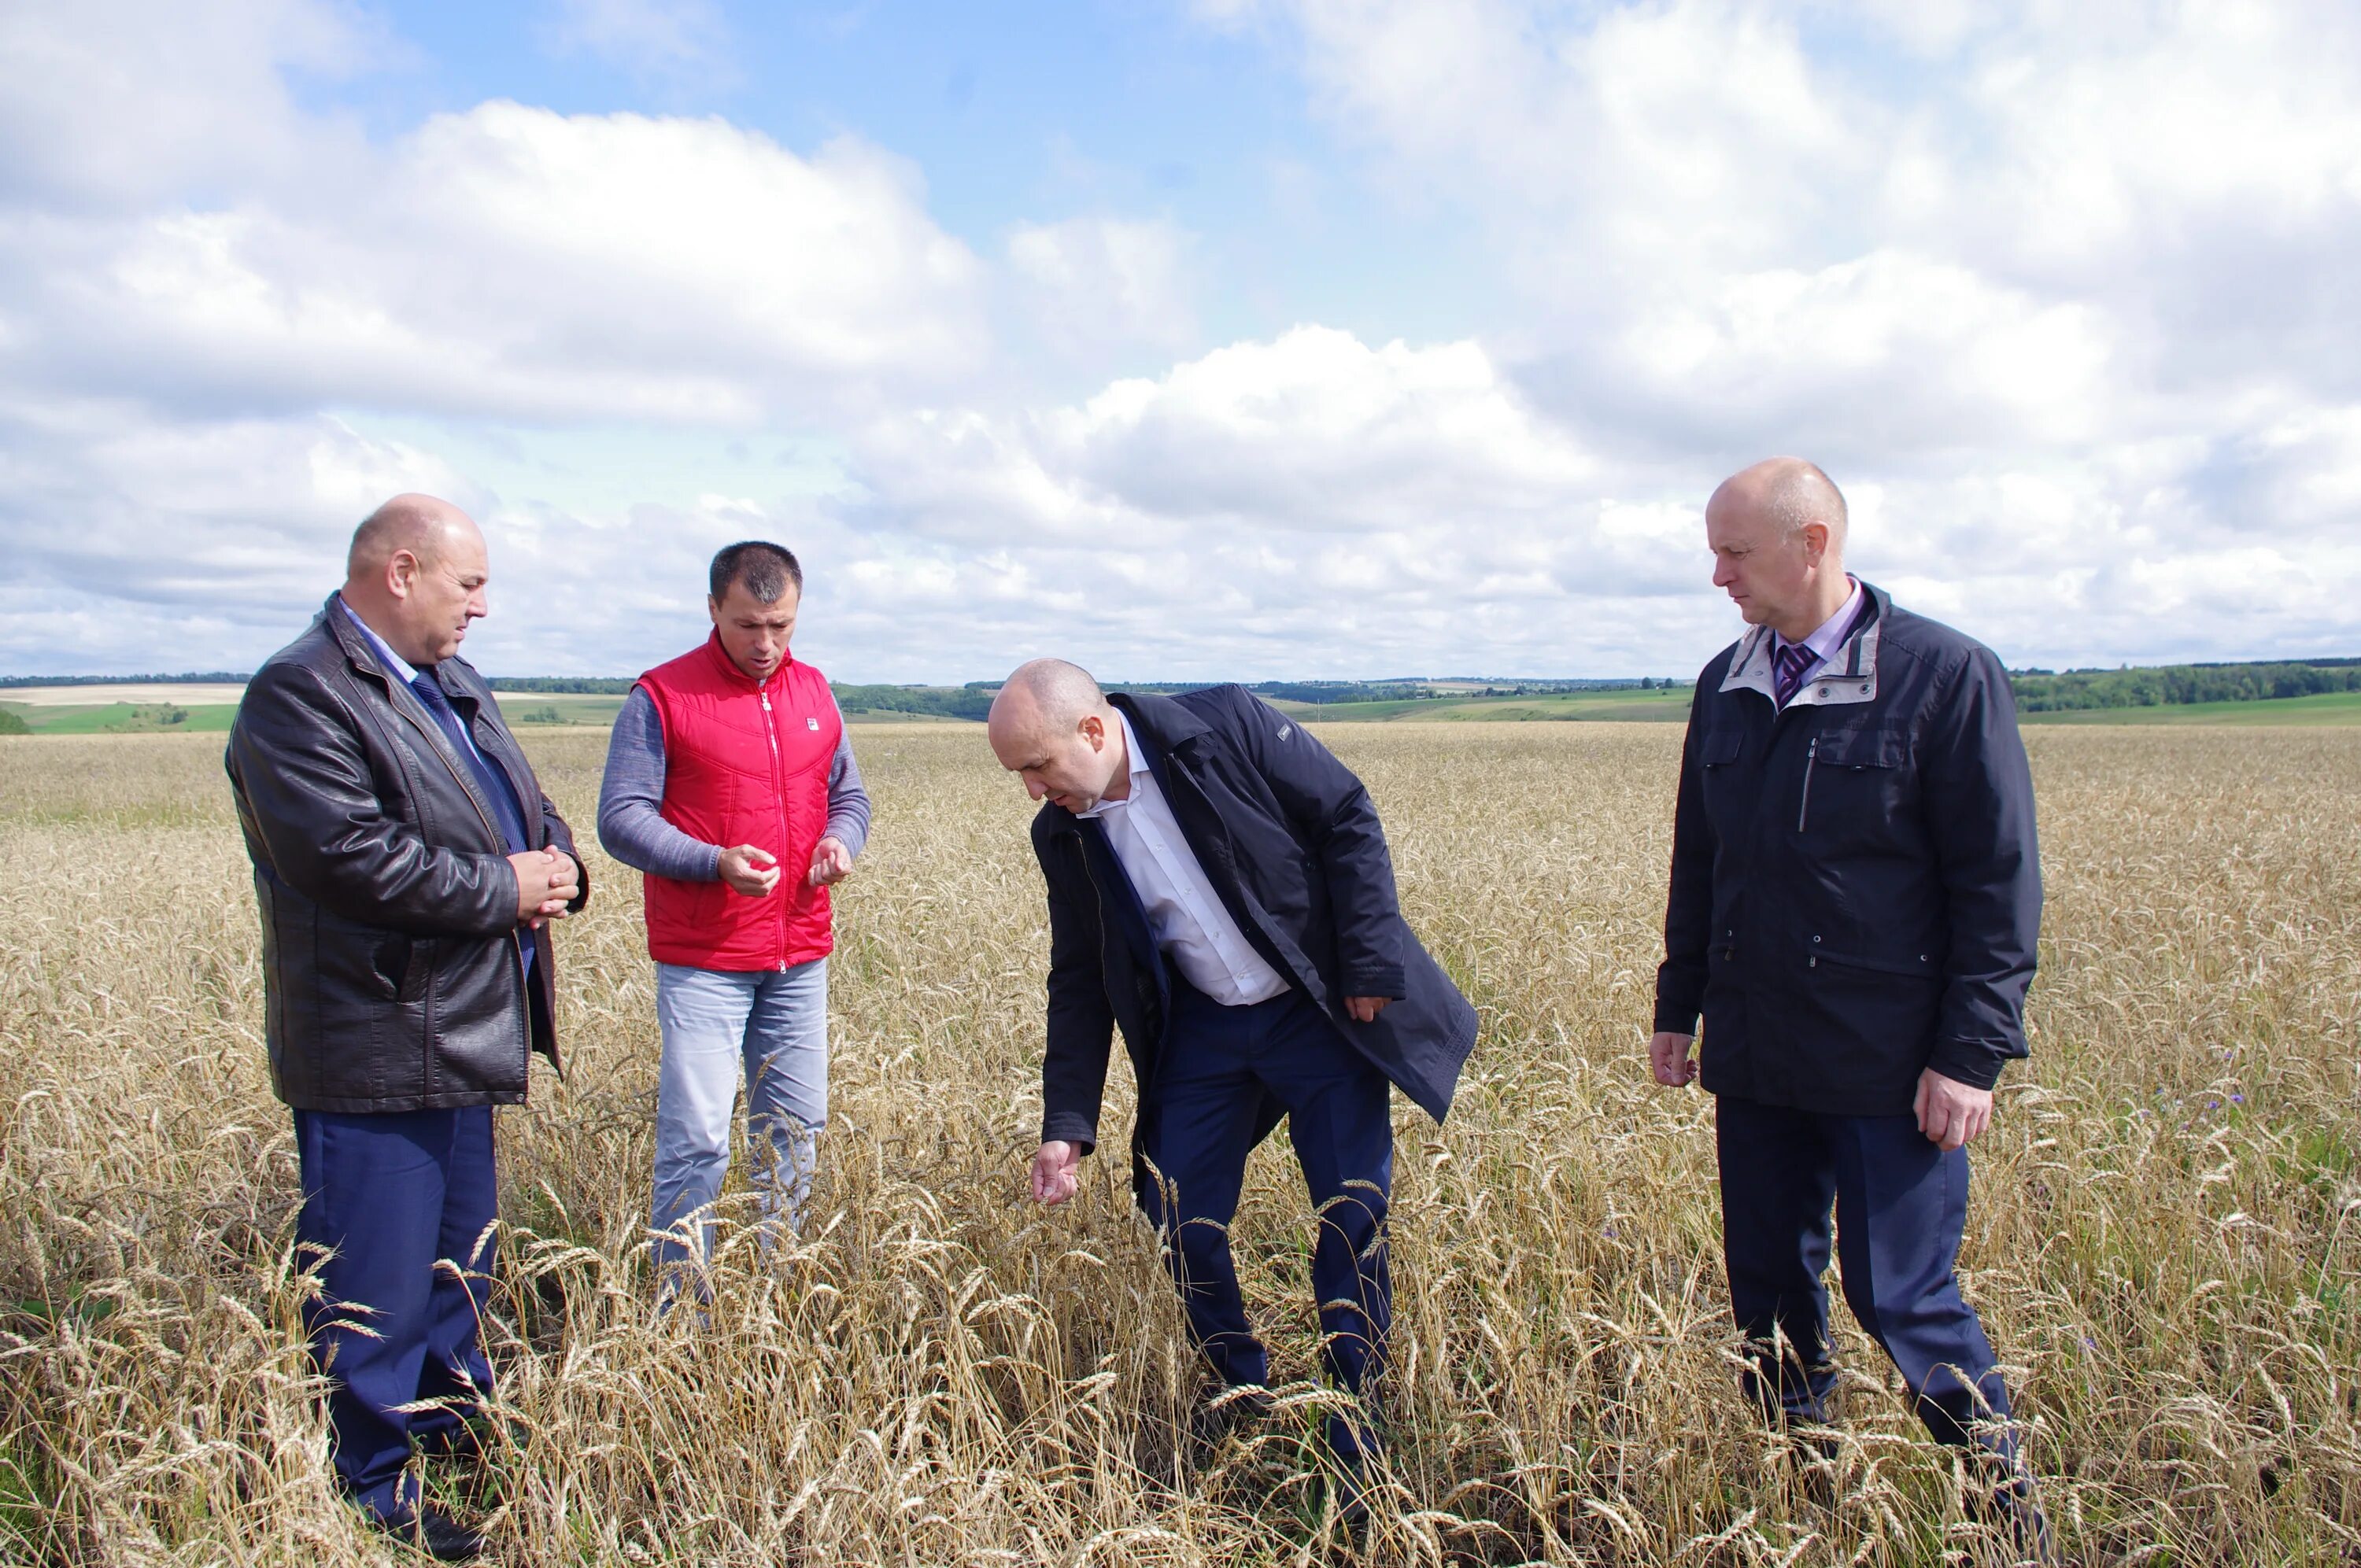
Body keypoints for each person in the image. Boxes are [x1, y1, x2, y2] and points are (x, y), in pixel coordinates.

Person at [1650, 459, 2052, 1556]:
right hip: (1759, 1049)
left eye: (1735, 550)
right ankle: (1809, 1496)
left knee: (1903, 1297)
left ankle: (2010, 1516)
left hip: (1891, 1060)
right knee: (1769, 1295)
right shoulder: (1724, 681)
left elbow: (1996, 882)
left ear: (1813, 541)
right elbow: (1705, 857)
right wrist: (1679, 1003)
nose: (1717, 573)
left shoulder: (1941, 675)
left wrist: (1970, 1053)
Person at [989, 660, 1476, 1504]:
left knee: (1351, 1207)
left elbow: (1347, 816)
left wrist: (1366, 961)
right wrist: (1066, 1121)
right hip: (1207, 1030)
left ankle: (1354, 1407)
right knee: (1179, 1209)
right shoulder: (1062, 835)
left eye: (1038, 767)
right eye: (1020, 775)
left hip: (1314, 1010)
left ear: (1094, 732)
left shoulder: (1223, 726)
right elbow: (1080, 975)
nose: (1033, 791)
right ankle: (1238, 1387)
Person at [226, 494, 586, 1561]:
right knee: (374, 1282)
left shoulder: (450, 684)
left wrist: (552, 863)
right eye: (467, 584)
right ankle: (375, 1494)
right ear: (400, 571)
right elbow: (342, 857)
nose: (483, 606)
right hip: (373, 1043)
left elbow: (521, 806)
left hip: (461, 1035)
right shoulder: (300, 694)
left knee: (457, 1270)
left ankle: (462, 1451)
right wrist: (503, 886)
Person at [597, 541, 870, 1297]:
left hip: (799, 953)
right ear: (713, 608)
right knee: (697, 1142)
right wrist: (713, 861)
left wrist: (840, 843)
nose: (766, 644)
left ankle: (781, 1298)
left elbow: (851, 799)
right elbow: (620, 818)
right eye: (749, 625)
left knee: (796, 1135)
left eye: (782, 625)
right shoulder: (660, 697)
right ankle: (682, 1313)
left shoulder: (816, 694)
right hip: (704, 959)